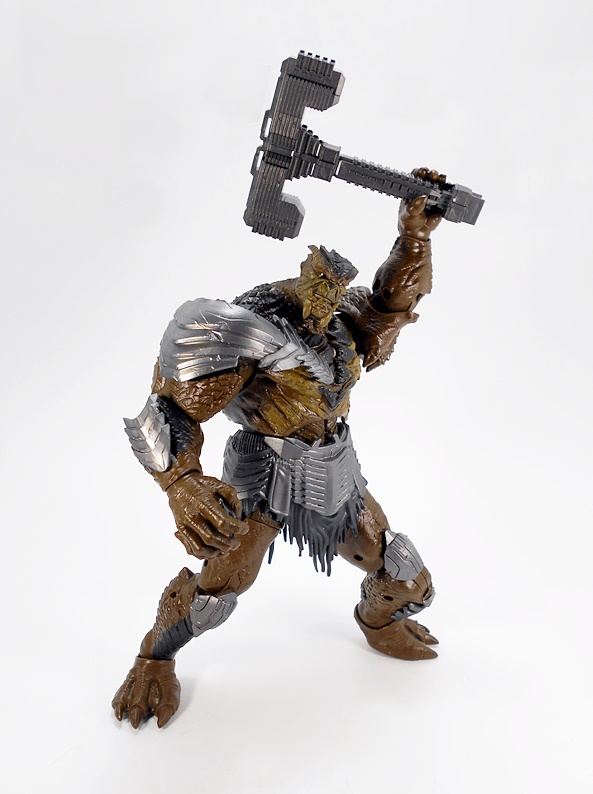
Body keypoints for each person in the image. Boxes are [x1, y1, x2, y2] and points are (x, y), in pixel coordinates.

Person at [113, 169, 444, 728]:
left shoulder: (339, 331)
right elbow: (166, 407)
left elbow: (392, 303)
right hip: (263, 479)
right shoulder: (249, 332)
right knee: (217, 595)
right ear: (299, 282)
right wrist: (182, 484)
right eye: (319, 290)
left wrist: (414, 237)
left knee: (407, 578)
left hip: (334, 472)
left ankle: (378, 621)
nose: (326, 303)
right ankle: (154, 658)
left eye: (333, 294)